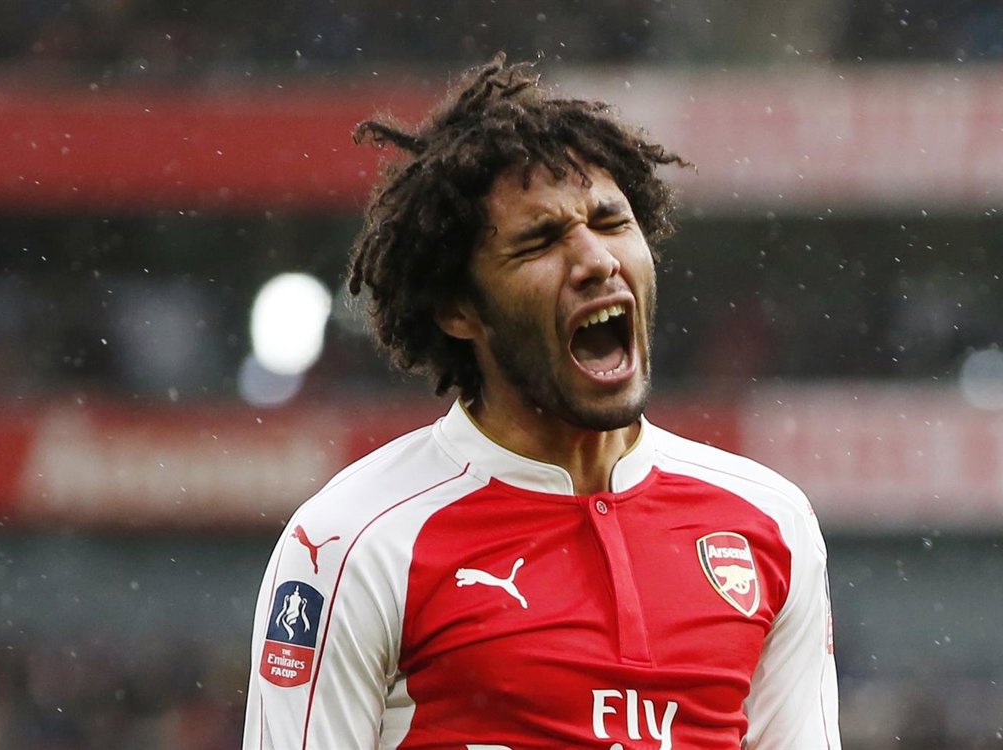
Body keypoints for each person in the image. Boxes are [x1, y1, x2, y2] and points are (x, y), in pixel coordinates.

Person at [243, 54, 840, 750]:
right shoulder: (352, 542)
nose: (597, 261)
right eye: (541, 241)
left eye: (611, 222)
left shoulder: (771, 521)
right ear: (460, 309)